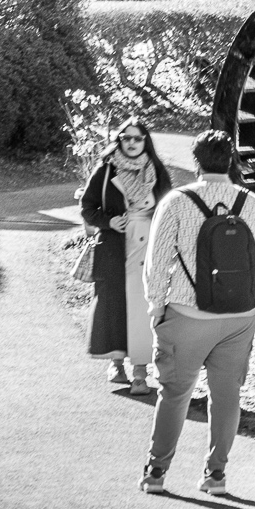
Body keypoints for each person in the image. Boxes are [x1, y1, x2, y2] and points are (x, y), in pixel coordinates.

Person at [138, 128, 255, 498]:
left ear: (196, 162)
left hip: (188, 314)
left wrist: (156, 306)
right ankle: (216, 475)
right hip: (238, 315)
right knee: (227, 395)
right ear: (231, 161)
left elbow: (158, 261)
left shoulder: (177, 200)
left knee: (175, 394)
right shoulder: (250, 201)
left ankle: (156, 472)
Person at [79, 118, 170, 392]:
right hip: (115, 247)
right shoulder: (105, 171)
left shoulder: (157, 171)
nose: (131, 143)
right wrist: (108, 222)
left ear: (146, 141)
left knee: (143, 307)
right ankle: (117, 363)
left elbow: (169, 208)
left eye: (137, 138)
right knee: (114, 305)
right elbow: (87, 208)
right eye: (126, 138)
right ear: (119, 141)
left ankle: (140, 372)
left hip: (149, 246)